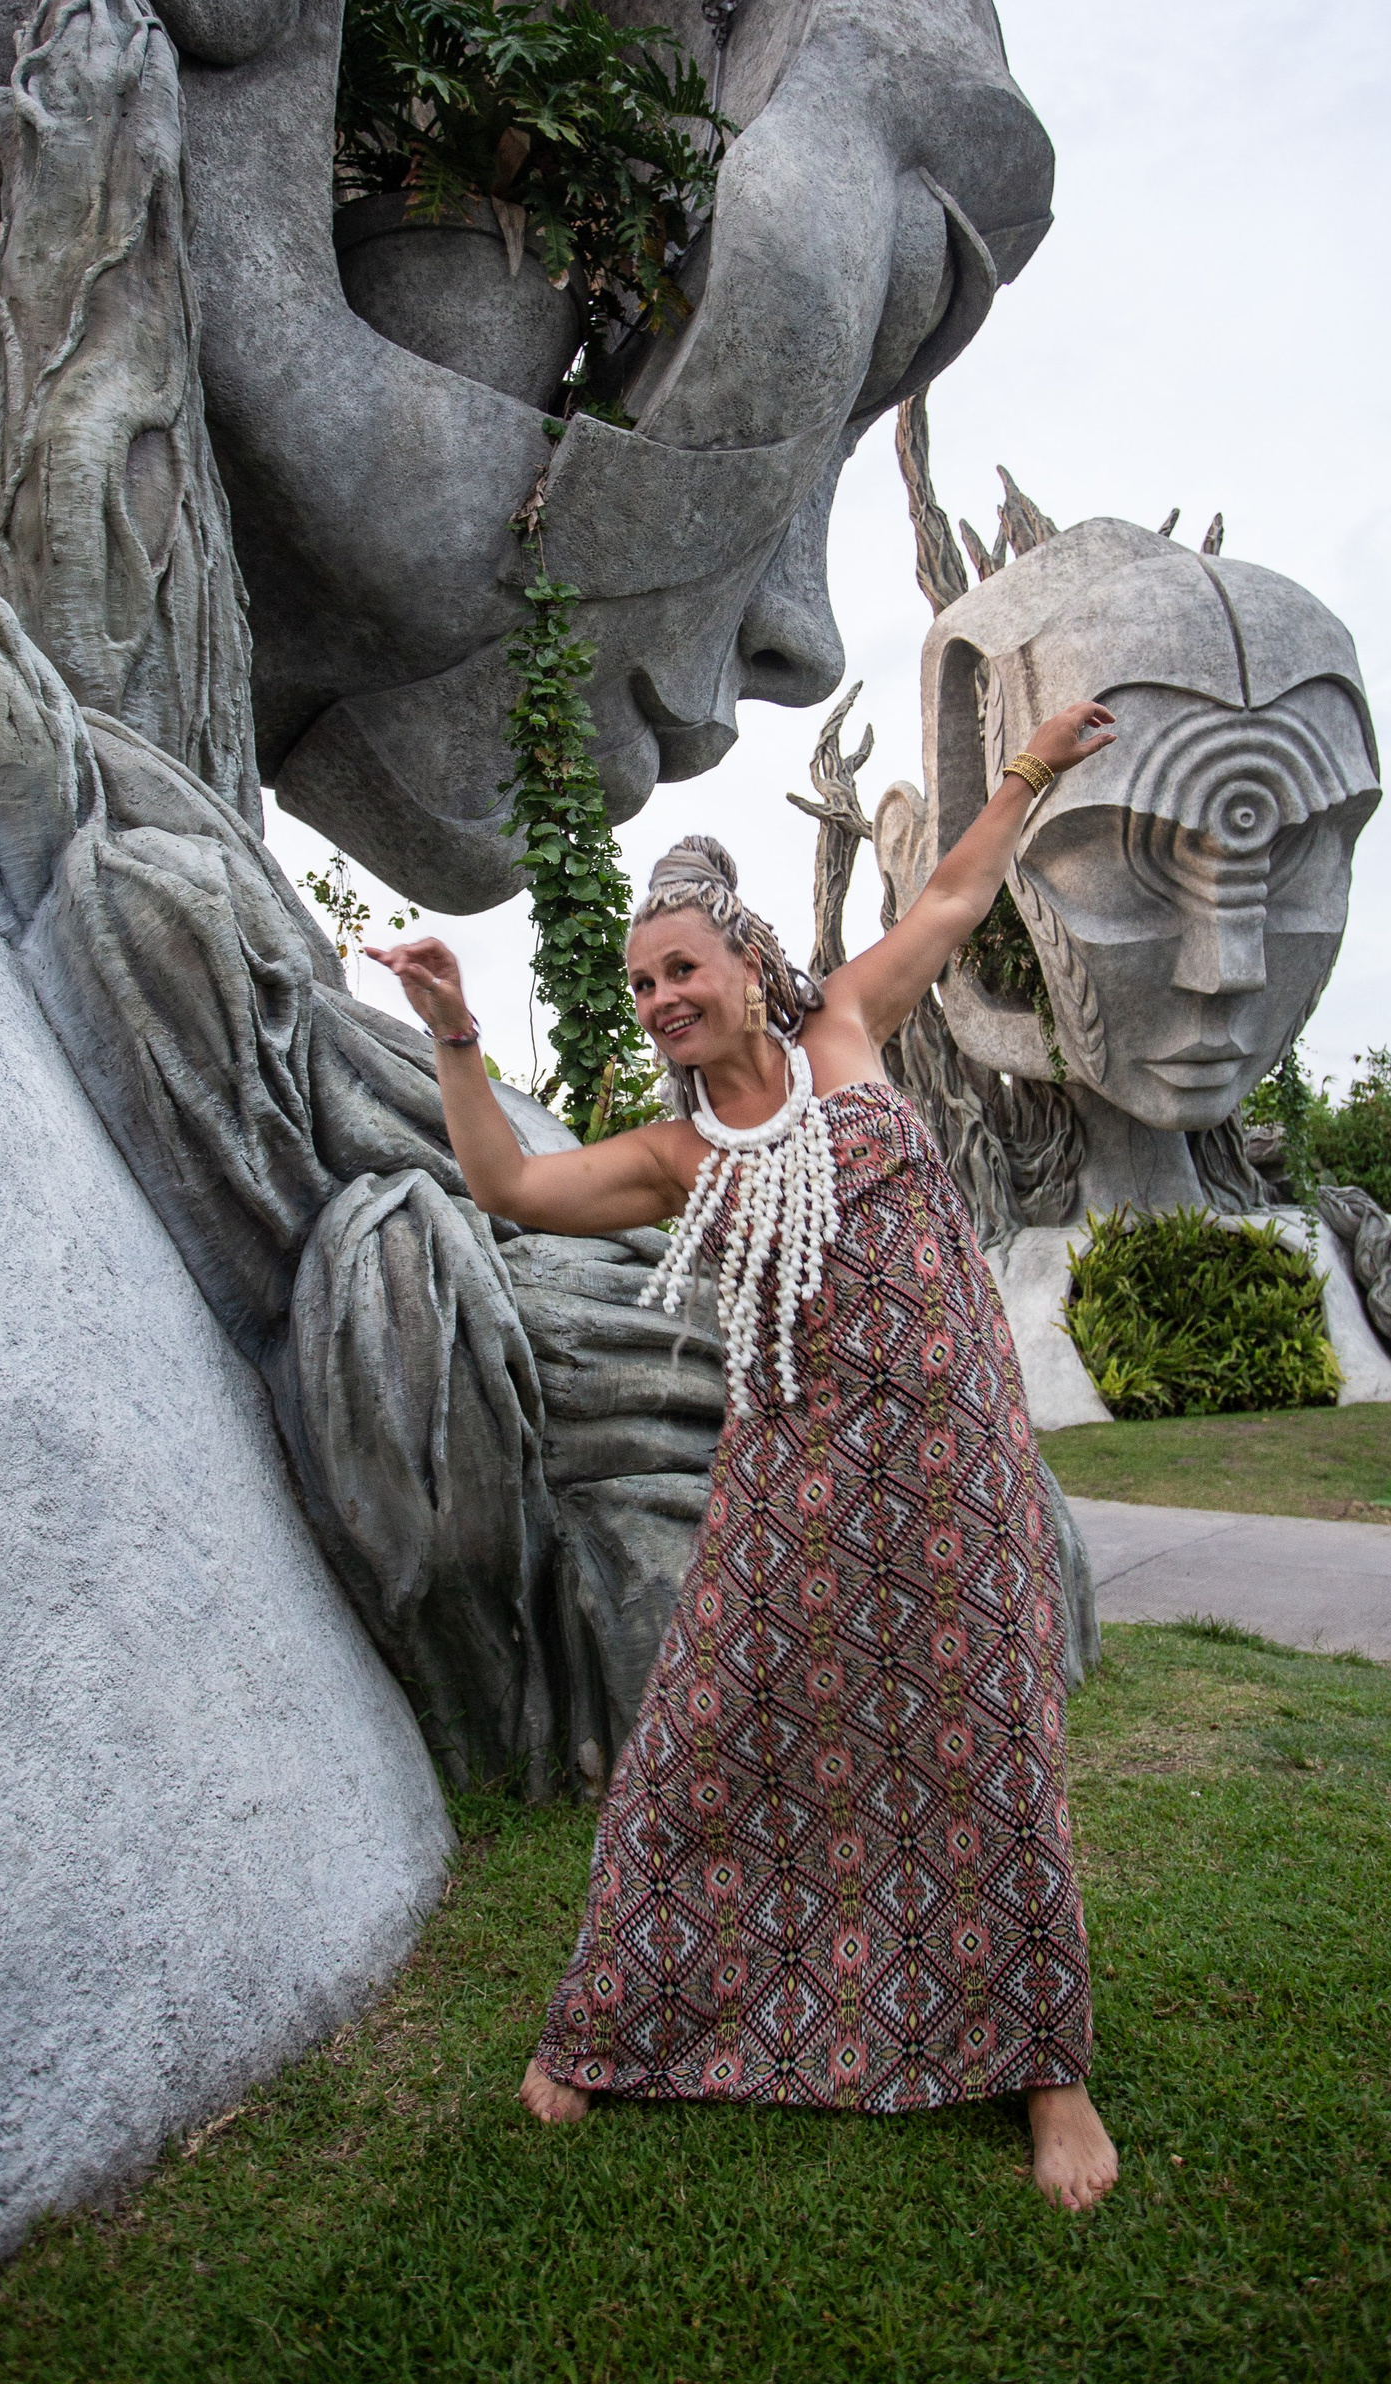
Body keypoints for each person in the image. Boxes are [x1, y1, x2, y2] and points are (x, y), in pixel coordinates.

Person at [369, 695, 1122, 2214]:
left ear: (745, 963)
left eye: (680, 970)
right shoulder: (676, 1159)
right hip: (796, 1477)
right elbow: (506, 1183)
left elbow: (954, 895)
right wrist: (455, 1029)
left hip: (957, 1452)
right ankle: (621, 2021)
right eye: (641, 982)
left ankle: (1050, 2073)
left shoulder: (845, 1026)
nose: (659, 998)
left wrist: (1031, 767)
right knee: (702, 1737)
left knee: (988, 1740)